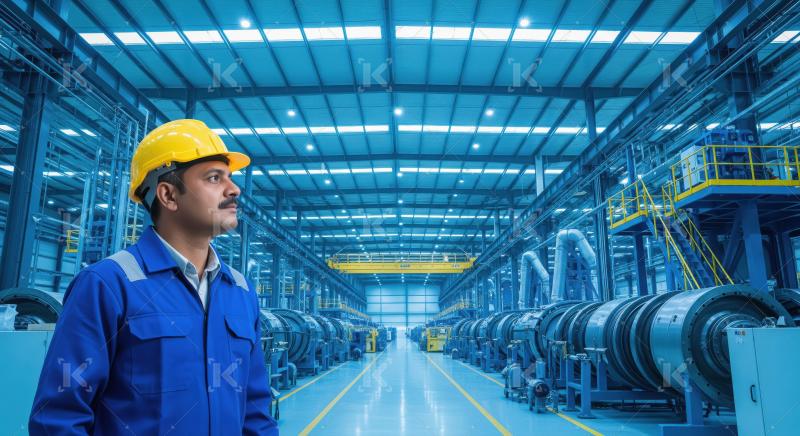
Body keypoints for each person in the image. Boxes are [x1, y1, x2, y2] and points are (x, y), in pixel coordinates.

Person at [29, 119, 278, 435]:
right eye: (215, 178)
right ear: (169, 195)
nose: (234, 189)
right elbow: (58, 418)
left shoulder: (240, 292)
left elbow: (255, 411)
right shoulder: (109, 284)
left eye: (229, 177)